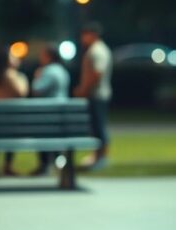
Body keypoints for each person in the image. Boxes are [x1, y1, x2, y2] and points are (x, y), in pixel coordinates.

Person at [73, 22, 113, 170]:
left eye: (85, 34)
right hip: (96, 94)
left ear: (93, 34)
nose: (83, 38)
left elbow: (97, 73)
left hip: (97, 94)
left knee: (99, 127)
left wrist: (83, 89)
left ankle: (101, 157)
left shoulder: (97, 51)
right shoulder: (96, 50)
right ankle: (97, 156)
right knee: (96, 127)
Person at [0, 46, 29, 176]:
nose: (15, 59)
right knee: (11, 136)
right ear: (7, 60)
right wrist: (22, 78)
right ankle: (7, 166)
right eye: (12, 56)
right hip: (10, 116)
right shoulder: (11, 74)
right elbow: (22, 92)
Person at [30, 43, 70, 175]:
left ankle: (44, 165)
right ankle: (59, 161)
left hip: (48, 112)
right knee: (56, 137)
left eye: (42, 55)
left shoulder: (48, 71)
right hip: (61, 112)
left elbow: (37, 89)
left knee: (43, 134)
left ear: (48, 56)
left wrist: (37, 76)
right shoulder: (62, 71)